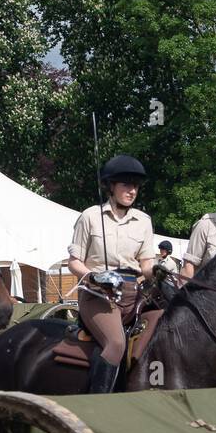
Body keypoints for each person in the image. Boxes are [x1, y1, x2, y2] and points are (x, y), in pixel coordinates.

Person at [68, 155, 156, 394]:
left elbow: (146, 264)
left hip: (134, 293)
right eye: (126, 184)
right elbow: (74, 262)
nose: (132, 191)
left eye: (136, 186)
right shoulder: (89, 217)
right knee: (116, 344)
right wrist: (94, 277)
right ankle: (99, 404)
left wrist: (156, 270)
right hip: (99, 294)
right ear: (110, 186)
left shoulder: (144, 221)